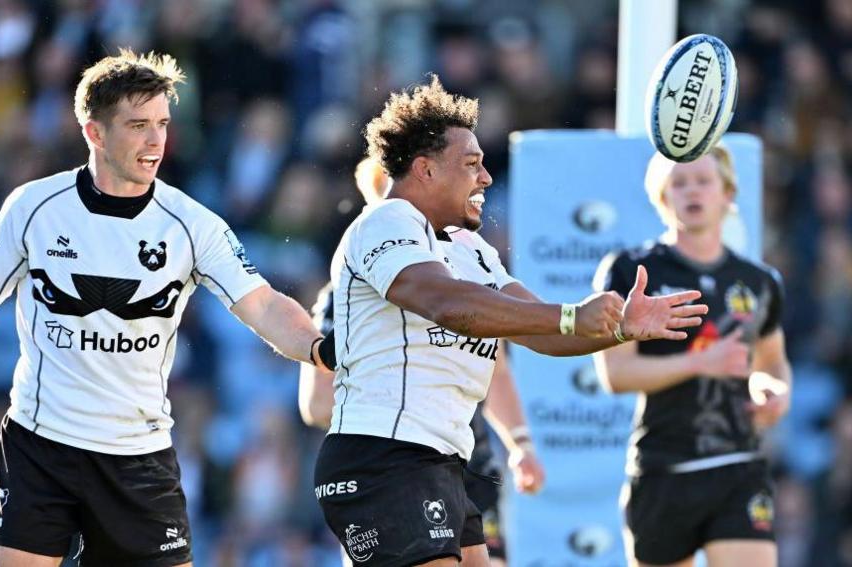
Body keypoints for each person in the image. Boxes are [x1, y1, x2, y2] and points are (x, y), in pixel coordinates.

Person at [0, 49, 330, 567]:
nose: (156, 141)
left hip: (138, 456)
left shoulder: (192, 225)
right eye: (138, 125)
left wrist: (319, 349)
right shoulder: (34, 207)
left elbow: (262, 304)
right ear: (94, 133)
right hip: (41, 446)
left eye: (163, 124)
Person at [312, 75, 709, 567]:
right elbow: (446, 303)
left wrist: (618, 328)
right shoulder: (388, 221)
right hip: (383, 459)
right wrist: (570, 315)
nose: (486, 178)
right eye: (472, 164)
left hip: (441, 462)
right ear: (425, 170)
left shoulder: (471, 249)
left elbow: (540, 331)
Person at [299, 158, 545, 567]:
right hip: (391, 465)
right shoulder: (344, 295)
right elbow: (316, 405)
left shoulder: (461, 272)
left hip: (467, 467)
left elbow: (497, 366)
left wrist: (521, 443)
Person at [592, 146, 792, 567]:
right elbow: (616, 374)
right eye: (678, 183)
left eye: (703, 181)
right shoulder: (632, 271)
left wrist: (774, 393)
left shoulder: (759, 282)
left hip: (739, 467)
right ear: (662, 197)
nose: (691, 191)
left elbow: (771, 363)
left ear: (727, 193)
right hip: (664, 469)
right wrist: (701, 363)